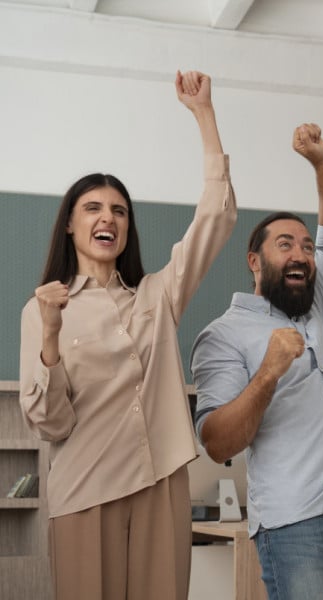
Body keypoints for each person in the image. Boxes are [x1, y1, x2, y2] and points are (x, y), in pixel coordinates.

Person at [18, 71, 237, 600]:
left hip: (161, 483)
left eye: (118, 210)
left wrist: (204, 115)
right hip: (85, 490)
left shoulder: (156, 296)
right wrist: (50, 335)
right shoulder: (43, 308)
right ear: (70, 225)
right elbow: (52, 423)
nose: (107, 217)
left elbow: (216, 216)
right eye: (92, 208)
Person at [190, 123, 323, 600]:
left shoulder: (314, 303)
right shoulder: (223, 335)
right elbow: (216, 441)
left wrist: (321, 162)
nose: (300, 253)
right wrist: (269, 372)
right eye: (285, 245)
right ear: (254, 262)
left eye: (306, 246)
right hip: (294, 524)